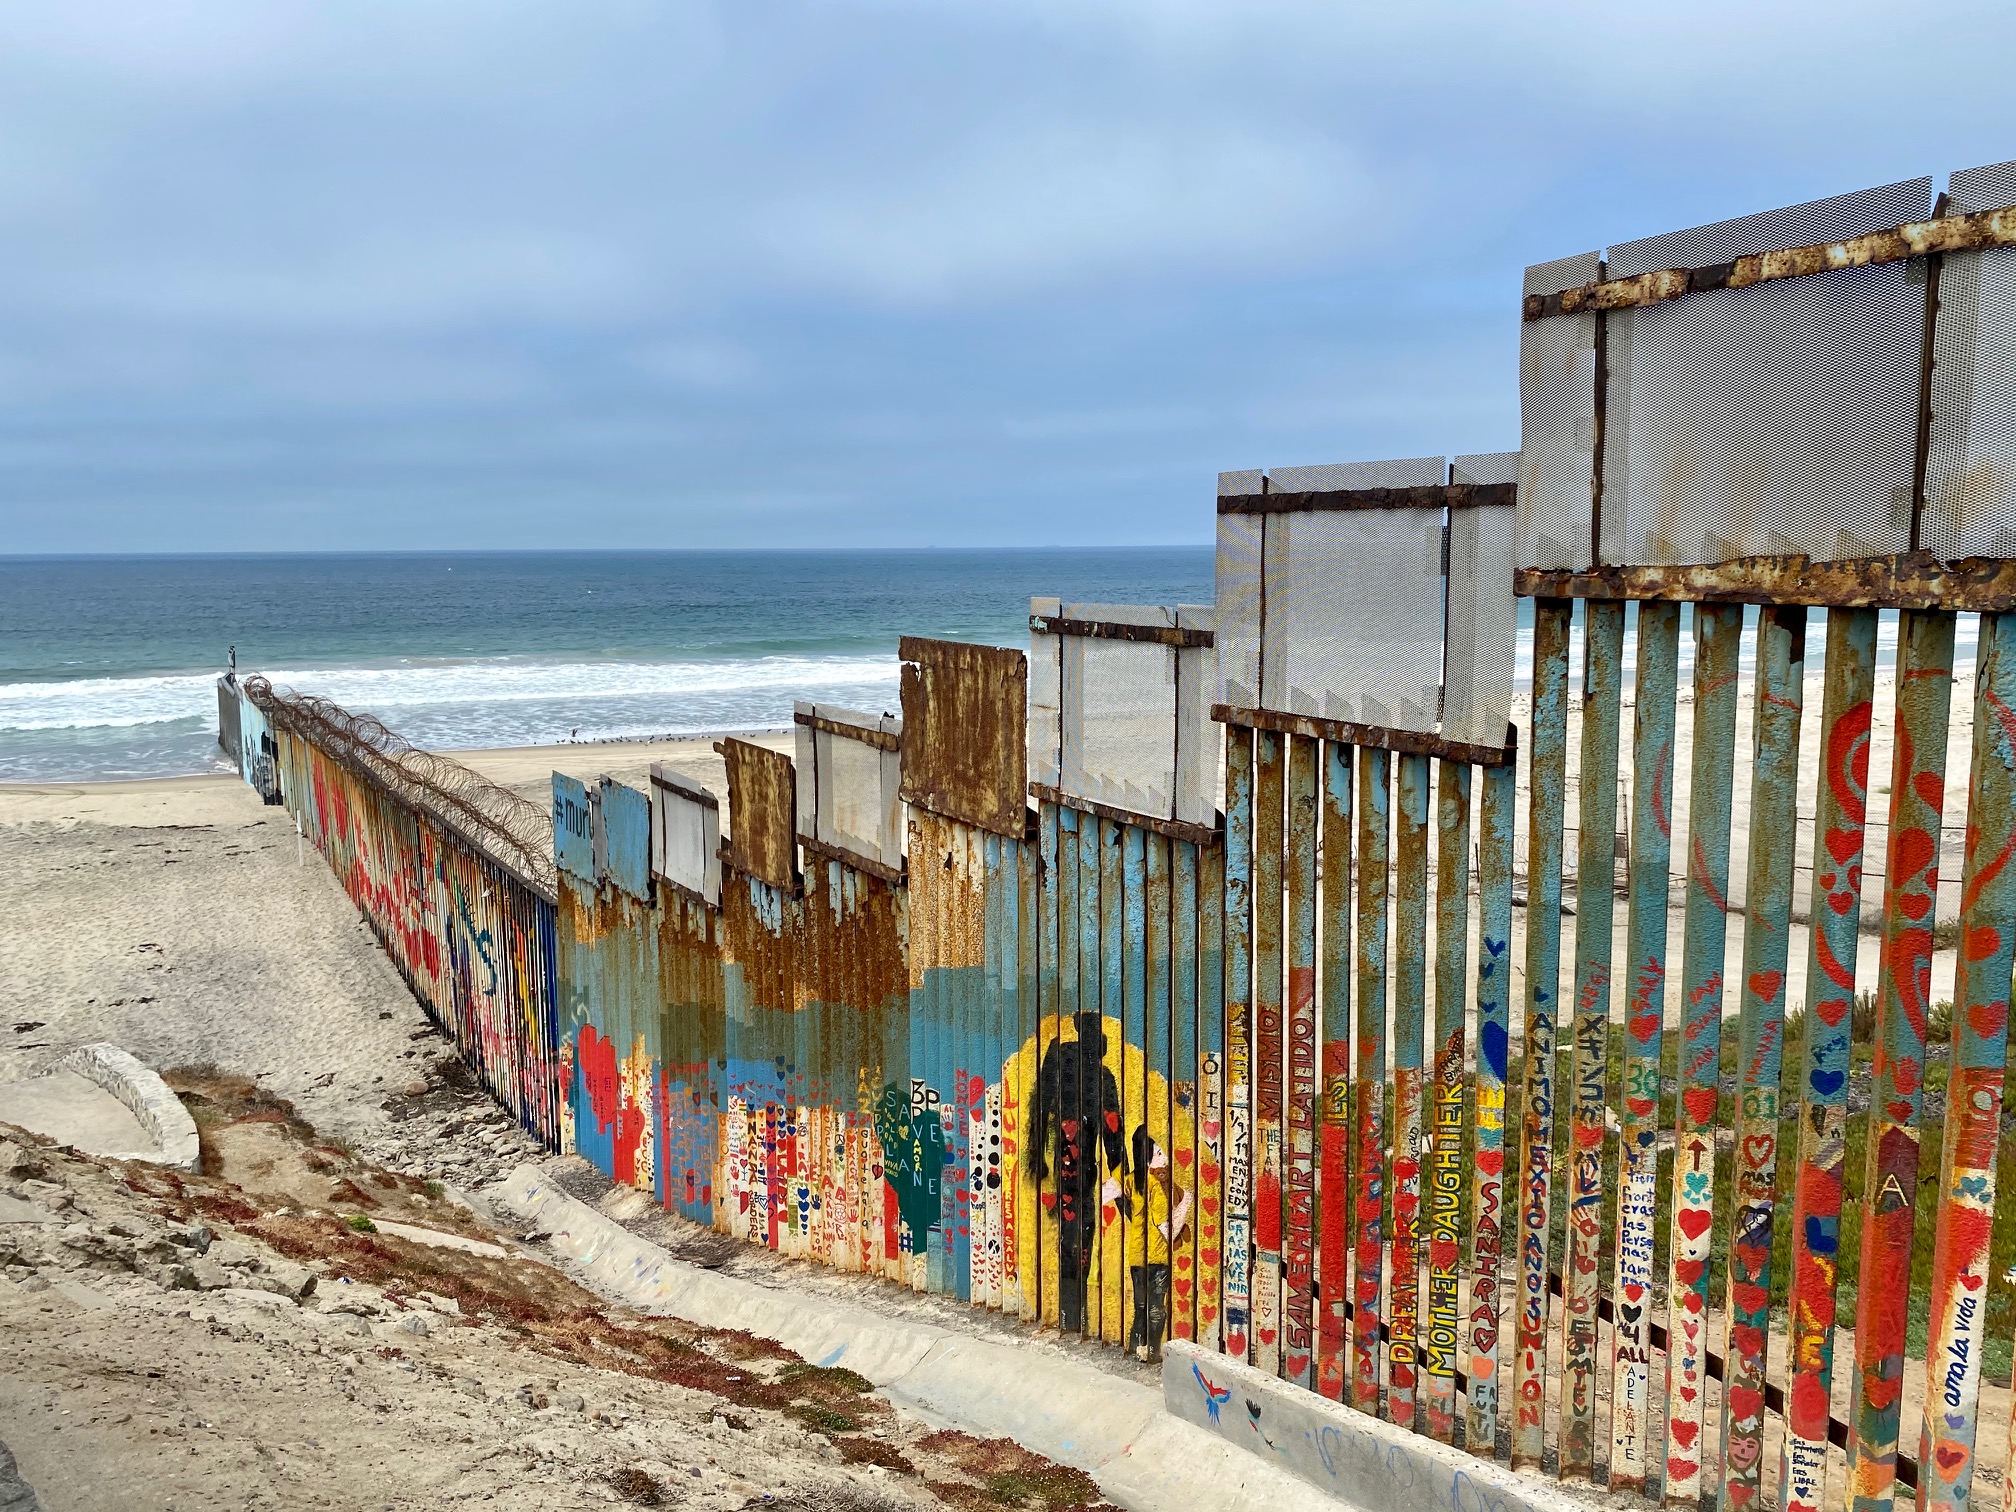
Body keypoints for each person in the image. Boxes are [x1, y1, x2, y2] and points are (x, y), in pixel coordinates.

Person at [1029, 1011, 1128, 1332]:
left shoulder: (1083, 1071)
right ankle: (1072, 1312)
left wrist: (1126, 1191)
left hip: (1076, 1172)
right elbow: (1041, 1109)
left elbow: (1113, 1140)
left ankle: (1072, 1313)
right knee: (1078, 1235)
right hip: (1073, 1173)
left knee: (1076, 1235)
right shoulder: (1069, 1064)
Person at [1128, 1125, 1191, 1355]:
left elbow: (1109, 1193)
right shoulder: (1156, 1186)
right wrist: (1186, 1203)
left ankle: (1136, 1347)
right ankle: (1153, 1351)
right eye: (1160, 1154)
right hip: (1156, 1256)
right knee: (1156, 1308)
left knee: (1140, 1307)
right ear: (1148, 1161)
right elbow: (1167, 1228)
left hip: (1136, 1255)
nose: (1165, 1159)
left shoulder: (1132, 1181)